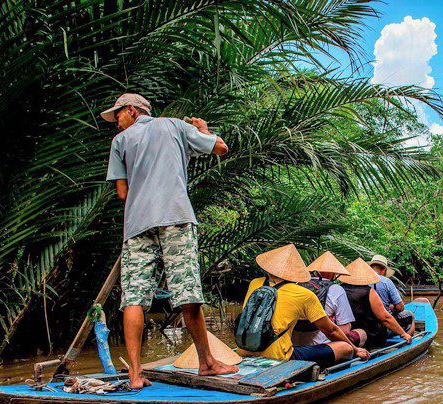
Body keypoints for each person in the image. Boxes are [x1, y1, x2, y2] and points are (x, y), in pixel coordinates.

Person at [102, 93, 237, 388]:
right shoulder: (175, 126)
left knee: (134, 297)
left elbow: (123, 194)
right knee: (187, 290)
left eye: (118, 116)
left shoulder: (120, 143)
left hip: (136, 224)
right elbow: (220, 147)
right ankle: (207, 363)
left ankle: (135, 374)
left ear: (132, 110)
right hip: (174, 216)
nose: (116, 123)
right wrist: (202, 129)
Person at [239, 244, 369, 368]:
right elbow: (331, 331)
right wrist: (355, 349)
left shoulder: (255, 284)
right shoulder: (303, 294)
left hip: (244, 348)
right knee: (345, 348)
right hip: (279, 356)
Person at [292, 251, 365, 348]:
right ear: (333, 273)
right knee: (362, 333)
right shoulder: (336, 289)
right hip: (322, 345)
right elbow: (345, 331)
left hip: (294, 345)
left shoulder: (297, 285)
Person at [340, 258, 413, 349]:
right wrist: (403, 334)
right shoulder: (368, 291)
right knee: (409, 315)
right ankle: (407, 344)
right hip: (372, 335)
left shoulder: (339, 289)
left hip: (351, 331)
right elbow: (385, 318)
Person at [368, 254, 414, 336]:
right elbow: (400, 307)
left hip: (366, 325)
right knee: (410, 314)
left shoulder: (361, 280)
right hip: (383, 327)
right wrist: (393, 309)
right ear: (384, 270)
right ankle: (407, 340)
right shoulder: (386, 281)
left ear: (370, 268)